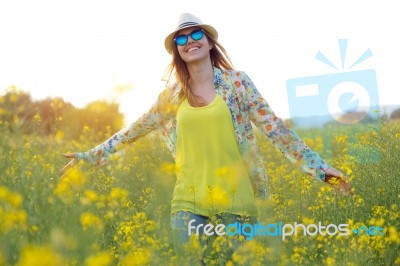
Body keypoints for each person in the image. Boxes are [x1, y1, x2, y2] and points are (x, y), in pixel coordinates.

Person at [60, 13, 352, 263]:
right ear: (177, 50)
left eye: (196, 33)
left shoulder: (237, 83)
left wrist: (321, 169)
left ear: (210, 42)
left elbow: (276, 129)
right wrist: (90, 156)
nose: (190, 41)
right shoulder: (171, 97)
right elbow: (133, 130)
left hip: (237, 199)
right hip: (189, 201)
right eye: (182, 39)